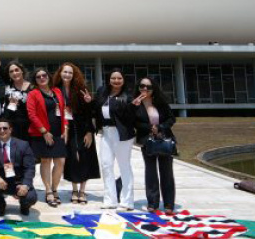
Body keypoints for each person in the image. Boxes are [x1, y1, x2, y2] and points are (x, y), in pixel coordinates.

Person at [55, 63, 99, 204]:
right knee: (72, 158)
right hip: (65, 129)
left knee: (85, 157)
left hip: (82, 128)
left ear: (74, 75)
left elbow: (90, 112)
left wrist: (89, 132)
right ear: (60, 73)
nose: (67, 75)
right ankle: (74, 189)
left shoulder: (81, 90)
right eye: (65, 72)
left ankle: (83, 191)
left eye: (70, 73)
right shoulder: (55, 90)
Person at [93, 69, 137, 210]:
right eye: (113, 78)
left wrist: (132, 106)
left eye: (119, 78)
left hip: (122, 134)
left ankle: (127, 201)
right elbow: (96, 109)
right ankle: (110, 200)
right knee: (106, 166)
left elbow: (130, 116)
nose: (116, 81)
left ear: (123, 80)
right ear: (109, 79)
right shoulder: (102, 93)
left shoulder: (128, 95)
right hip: (106, 133)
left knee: (124, 166)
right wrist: (90, 102)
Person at [133, 77, 177, 214]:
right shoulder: (136, 103)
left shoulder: (160, 102)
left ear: (153, 89)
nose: (144, 89)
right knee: (151, 172)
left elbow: (171, 118)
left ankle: (169, 204)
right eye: (142, 86)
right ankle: (152, 203)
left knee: (167, 172)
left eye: (148, 87)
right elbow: (133, 122)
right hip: (147, 141)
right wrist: (133, 108)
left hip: (164, 140)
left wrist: (160, 127)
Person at [26, 68, 68, 207]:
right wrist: (44, 131)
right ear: (35, 80)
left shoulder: (57, 91)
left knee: (60, 161)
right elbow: (32, 115)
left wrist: (65, 128)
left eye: (44, 75)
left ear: (48, 76)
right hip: (42, 133)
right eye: (38, 76)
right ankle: (49, 190)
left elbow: (64, 111)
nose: (42, 78)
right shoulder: (33, 94)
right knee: (46, 161)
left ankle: (55, 188)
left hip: (58, 132)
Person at [0, 119, 37, 216]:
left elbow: (30, 168)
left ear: (10, 130)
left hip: (19, 181)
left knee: (31, 198)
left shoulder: (23, 145)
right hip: (2, 182)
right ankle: (1, 205)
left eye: (5, 128)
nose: (2, 131)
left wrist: (25, 185)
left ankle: (24, 205)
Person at [0, 38, 32, 138]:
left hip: (27, 127)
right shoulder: (9, 83)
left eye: (16, 70)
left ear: (22, 71)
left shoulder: (32, 87)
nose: (14, 73)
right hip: (9, 127)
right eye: (11, 71)